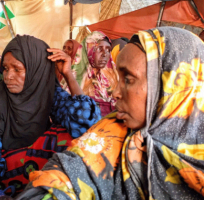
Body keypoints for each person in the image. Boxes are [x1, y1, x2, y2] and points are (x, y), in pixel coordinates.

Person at [14, 27, 204, 200]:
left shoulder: (109, 77)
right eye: (99, 49)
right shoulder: (113, 133)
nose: (115, 93)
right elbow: (78, 166)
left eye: (128, 79)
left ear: (171, 86)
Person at [0, 35, 101, 200]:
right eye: (6, 68)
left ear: (35, 69)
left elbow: (86, 122)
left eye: (17, 69)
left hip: (35, 158)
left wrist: (67, 74)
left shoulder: (46, 91)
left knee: (71, 137)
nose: (8, 76)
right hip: (1, 157)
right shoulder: (0, 95)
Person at [72, 31, 118, 117]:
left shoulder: (113, 78)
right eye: (99, 49)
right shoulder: (73, 79)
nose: (105, 54)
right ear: (88, 50)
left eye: (108, 50)